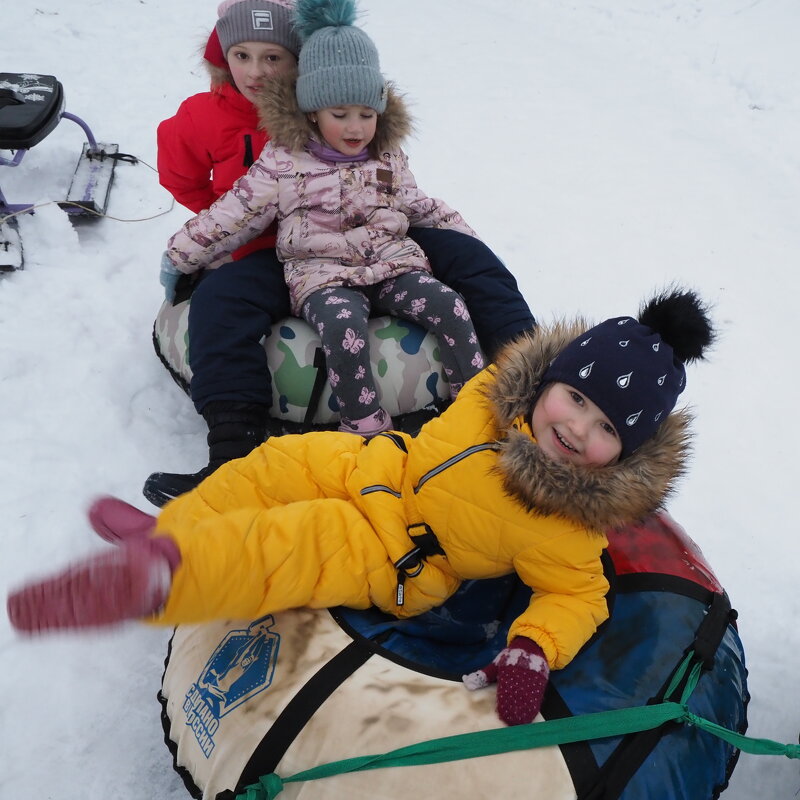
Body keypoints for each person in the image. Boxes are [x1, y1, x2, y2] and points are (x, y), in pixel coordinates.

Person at [7, 288, 714, 727]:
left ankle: (160, 579)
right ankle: (173, 530)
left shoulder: (571, 520)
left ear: (626, 455)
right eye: (580, 399)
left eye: (609, 431)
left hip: (405, 553)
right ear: (552, 380)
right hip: (380, 466)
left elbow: (579, 595)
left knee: (294, 541)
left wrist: (533, 649)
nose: (579, 430)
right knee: (269, 465)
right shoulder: (503, 390)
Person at [147, 0, 535, 506]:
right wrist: (186, 254)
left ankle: (530, 387)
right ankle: (233, 458)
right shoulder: (219, 121)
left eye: (274, 59)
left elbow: (411, 196)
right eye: (243, 56)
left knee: (470, 260)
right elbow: (231, 208)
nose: (258, 72)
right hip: (282, 249)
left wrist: (464, 236)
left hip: (377, 232)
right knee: (222, 298)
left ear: (303, 62)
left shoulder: (348, 105)